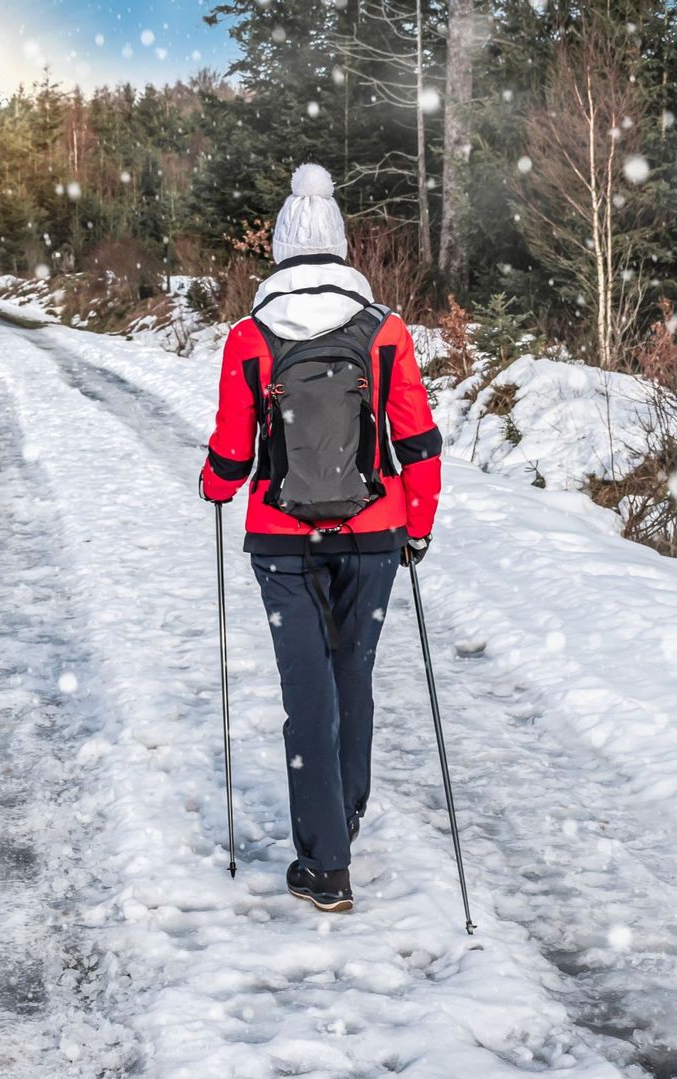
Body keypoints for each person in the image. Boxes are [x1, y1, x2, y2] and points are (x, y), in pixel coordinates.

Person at [198, 163, 444, 913]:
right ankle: (347, 813)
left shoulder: (250, 336)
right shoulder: (386, 330)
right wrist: (419, 526)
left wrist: (214, 485)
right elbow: (420, 442)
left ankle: (325, 861)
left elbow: (234, 453)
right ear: (341, 249)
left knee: (307, 689)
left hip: (282, 536)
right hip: (375, 533)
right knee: (352, 676)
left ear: (278, 249)